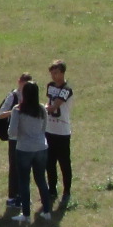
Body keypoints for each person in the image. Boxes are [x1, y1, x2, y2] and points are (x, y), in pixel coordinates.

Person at [8, 79, 55, 224]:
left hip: (24, 148)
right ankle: (47, 211)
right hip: (41, 147)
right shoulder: (42, 109)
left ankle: (26, 214)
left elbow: (12, 132)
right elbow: (44, 128)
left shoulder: (18, 110)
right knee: (41, 179)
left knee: (24, 181)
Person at [0, 73, 30, 217]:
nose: (25, 88)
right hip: (14, 136)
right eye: (23, 84)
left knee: (25, 166)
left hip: (25, 135)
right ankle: (12, 196)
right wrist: (16, 109)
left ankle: (22, 195)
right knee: (14, 166)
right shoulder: (12, 96)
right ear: (19, 82)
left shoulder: (29, 95)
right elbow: (1, 114)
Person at [44, 60, 73, 208]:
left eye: (56, 73)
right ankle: (52, 189)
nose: (53, 76)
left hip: (62, 131)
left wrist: (42, 108)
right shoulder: (50, 86)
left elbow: (55, 106)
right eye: (52, 73)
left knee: (64, 162)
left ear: (62, 73)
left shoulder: (67, 89)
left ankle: (67, 190)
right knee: (49, 162)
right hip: (49, 130)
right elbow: (49, 102)